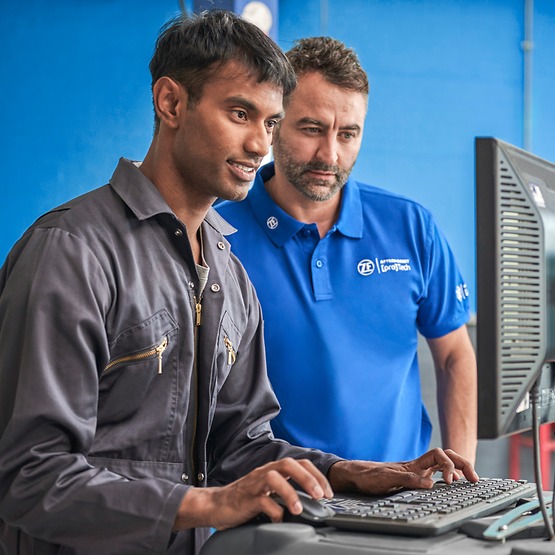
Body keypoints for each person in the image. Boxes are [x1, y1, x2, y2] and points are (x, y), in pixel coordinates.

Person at [0, 12, 478, 555]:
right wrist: (208, 505)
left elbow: (239, 445)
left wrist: (350, 473)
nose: (259, 145)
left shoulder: (226, 271)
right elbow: (26, 476)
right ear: (171, 103)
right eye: (240, 114)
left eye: (271, 124)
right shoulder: (72, 251)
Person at [217, 37, 477, 464]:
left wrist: (462, 476)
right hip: (279, 508)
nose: (330, 154)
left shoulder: (410, 227)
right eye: (312, 128)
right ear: (275, 123)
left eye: (348, 134)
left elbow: (453, 356)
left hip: (402, 495)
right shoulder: (219, 236)